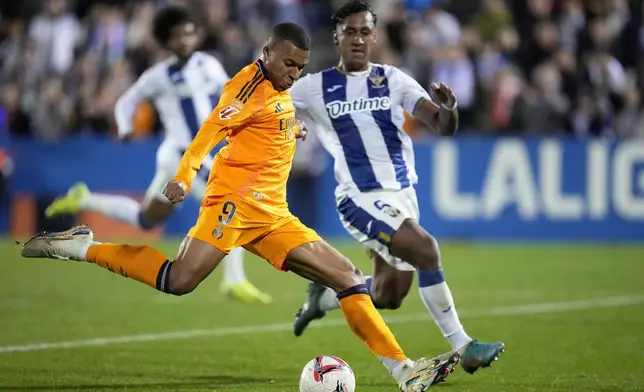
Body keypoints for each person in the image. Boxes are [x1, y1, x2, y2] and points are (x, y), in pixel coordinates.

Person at [21, 22, 460, 391]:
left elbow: (275, 117)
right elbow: (210, 132)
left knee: (347, 277)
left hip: (273, 214)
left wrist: (292, 132)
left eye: (300, 67)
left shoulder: (279, 86)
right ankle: (80, 246)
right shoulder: (246, 86)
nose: (293, 74)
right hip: (231, 204)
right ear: (266, 52)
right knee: (178, 280)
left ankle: (405, 372)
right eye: (287, 63)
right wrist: (183, 176)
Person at [289, 0, 504, 375]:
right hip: (359, 198)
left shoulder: (394, 79)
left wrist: (449, 109)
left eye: (365, 31)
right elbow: (268, 106)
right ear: (337, 35)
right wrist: (286, 127)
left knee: (389, 295)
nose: (357, 38)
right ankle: (464, 346)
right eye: (350, 31)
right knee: (426, 249)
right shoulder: (312, 88)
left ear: (375, 35)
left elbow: (441, 124)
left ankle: (322, 299)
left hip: (402, 196)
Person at [44, 7, 270, 304]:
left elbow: (235, 93)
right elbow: (126, 101)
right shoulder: (158, 76)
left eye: (189, 33)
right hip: (180, 154)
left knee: (146, 218)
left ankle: (85, 198)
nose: (185, 40)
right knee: (231, 203)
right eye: (178, 36)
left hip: (194, 154)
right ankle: (234, 280)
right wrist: (124, 126)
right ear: (166, 41)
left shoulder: (209, 64)